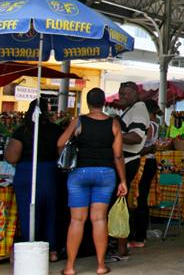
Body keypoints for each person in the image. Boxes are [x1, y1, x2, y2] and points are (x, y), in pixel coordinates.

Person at [58, 88, 127, 275]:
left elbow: (60, 143)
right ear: (104, 102)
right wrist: (123, 181)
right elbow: (118, 155)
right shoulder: (113, 124)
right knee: (99, 219)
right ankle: (100, 266)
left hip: (79, 173)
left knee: (77, 220)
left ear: (88, 103)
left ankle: (70, 267)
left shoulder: (78, 121)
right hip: (105, 174)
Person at [4, 100, 63, 262]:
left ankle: (30, 248)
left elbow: (11, 156)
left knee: (27, 211)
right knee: (51, 212)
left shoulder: (22, 131)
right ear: (47, 112)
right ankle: (52, 251)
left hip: (26, 172)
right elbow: (62, 154)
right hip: (50, 173)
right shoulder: (56, 130)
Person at [113, 81, 150, 260]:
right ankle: (119, 241)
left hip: (128, 161)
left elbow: (136, 137)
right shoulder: (131, 109)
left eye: (126, 93)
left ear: (136, 93)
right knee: (119, 203)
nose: (122, 97)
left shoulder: (139, 109)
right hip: (123, 161)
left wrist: (112, 135)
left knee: (120, 203)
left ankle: (121, 244)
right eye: (120, 93)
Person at [128, 100, 161, 248]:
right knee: (141, 199)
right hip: (149, 162)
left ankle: (139, 237)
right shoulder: (156, 124)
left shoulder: (150, 126)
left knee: (139, 199)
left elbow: (140, 143)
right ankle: (139, 236)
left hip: (145, 163)